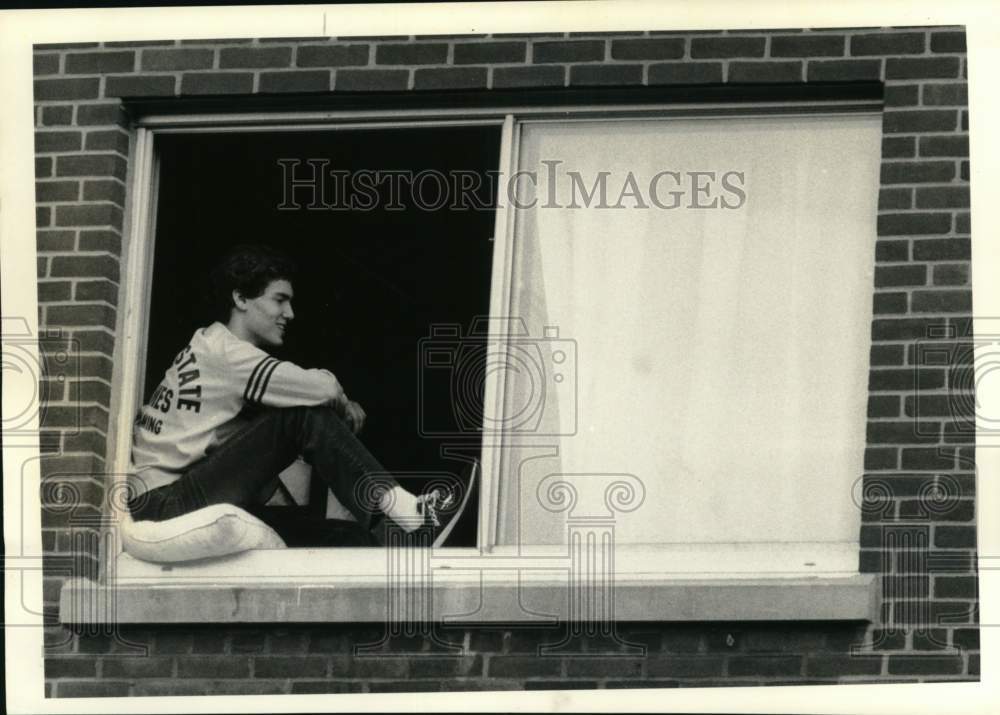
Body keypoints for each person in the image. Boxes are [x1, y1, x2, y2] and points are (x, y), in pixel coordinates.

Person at [127, 244, 475, 548]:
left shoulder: (208, 343)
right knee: (301, 415)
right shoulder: (229, 355)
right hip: (165, 502)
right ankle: (413, 515)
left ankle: (404, 543)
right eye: (279, 300)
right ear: (241, 298)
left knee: (347, 538)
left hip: (166, 499)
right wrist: (341, 401)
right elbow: (322, 390)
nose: (290, 314)